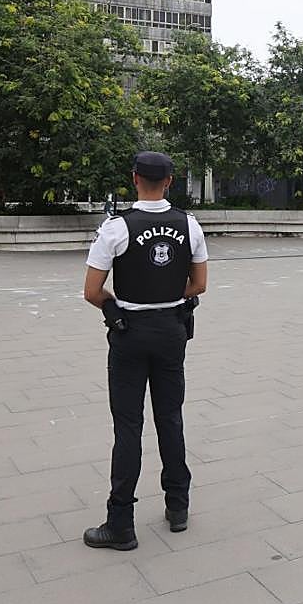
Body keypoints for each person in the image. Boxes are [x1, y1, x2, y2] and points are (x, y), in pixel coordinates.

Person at [81, 151, 208, 551]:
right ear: (169, 181)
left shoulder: (117, 228)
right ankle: (178, 506)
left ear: (134, 178)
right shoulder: (189, 224)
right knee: (170, 419)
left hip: (130, 334)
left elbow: (91, 292)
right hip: (171, 331)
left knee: (128, 427)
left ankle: (121, 523)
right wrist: (166, 299)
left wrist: (119, 306)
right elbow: (199, 284)